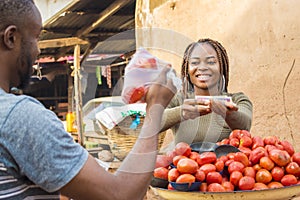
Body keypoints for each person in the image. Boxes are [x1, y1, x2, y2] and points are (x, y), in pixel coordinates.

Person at [0, 0, 176, 199]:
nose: (38, 50)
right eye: (36, 37)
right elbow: (120, 195)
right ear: (11, 38)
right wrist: (156, 106)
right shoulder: (19, 117)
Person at [160, 38, 253, 146]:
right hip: (183, 163)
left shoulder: (238, 99)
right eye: (194, 62)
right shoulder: (179, 99)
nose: (202, 67)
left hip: (227, 162)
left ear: (221, 67)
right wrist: (181, 113)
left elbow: (245, 126)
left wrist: (229, 114)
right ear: (187, 69)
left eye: (211, 62)